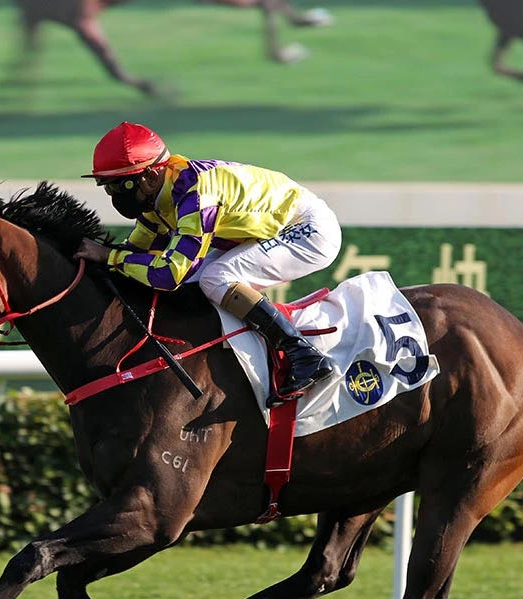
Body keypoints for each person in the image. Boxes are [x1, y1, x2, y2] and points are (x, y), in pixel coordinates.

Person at [74, 121, 342, 407]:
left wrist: (109, 257)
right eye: (107, 187)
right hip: (268, 230)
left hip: (307, 228)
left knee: (216, 278)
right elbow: (134, 252)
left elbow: (169, 274)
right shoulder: (157, 196)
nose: (114, 195)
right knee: (194, 281)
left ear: (150, 176)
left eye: (119, 186)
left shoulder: (196, 194)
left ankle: (302, 354)